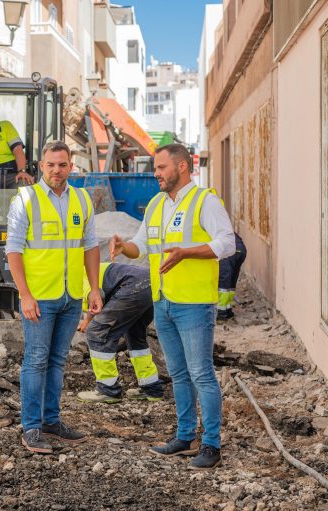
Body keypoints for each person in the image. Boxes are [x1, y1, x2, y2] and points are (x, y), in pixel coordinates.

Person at [109, 143, 235, 470]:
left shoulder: (205, 201)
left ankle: (211, 444)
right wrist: (124, 247)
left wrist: (187, 253)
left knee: (201, 373)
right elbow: (141, 245)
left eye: (161, 167)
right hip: (163, 302)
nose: (156, 174)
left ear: (182, 166)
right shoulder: (156, 204)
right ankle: (185, 437)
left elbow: (227, 243)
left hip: (194, 304)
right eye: (155, 168)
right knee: (178, 374)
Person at [6, 140, 102, 454]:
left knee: (57, 361)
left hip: (70, 296)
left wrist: (94, 288)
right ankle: (31, 427)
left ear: (71, 166)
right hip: (39, 298)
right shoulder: (26, 199)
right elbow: (13, 250)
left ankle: (51, 421)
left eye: (62, 165)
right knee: (36, 361)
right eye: (51, 165)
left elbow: (90, 246)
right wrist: (25, 295)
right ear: (41, 166)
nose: (56, 170)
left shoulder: (82, 199)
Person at [76, 262, 164, 404]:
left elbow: (96, 296)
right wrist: (87, 320)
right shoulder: (87, 269)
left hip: (133, 285)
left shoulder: (76, 276)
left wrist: (89, 322)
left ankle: (107, 389)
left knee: (97, 331)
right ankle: (151, 387)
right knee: (134, 333)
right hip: (151, 282)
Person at [218, 232, 247, 320]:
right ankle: (227, 309)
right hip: (241, 249)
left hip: (228, 250)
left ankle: (221, 312)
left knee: (223, 281)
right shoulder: (223, 228)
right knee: (231, 280)